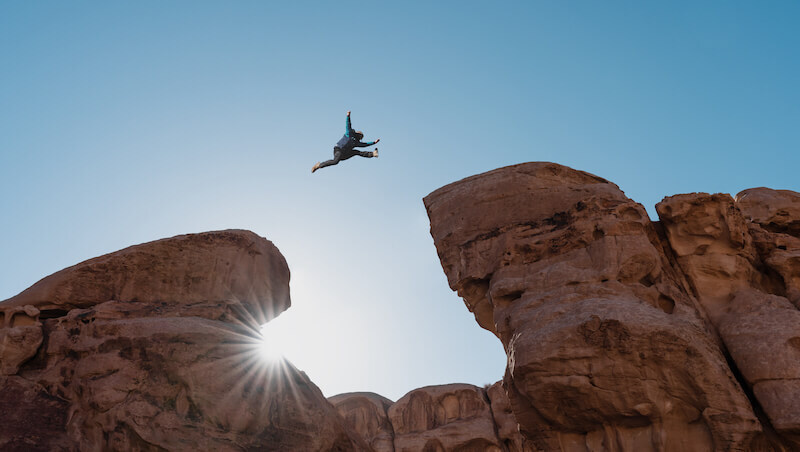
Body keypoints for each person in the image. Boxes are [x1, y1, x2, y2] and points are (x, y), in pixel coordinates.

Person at [312, 111, 380, 173]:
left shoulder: (356, 142)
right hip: (338, 149)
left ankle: (373, 154)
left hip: (344, 154)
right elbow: (348, 125)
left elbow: (364, 144)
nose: (359, 139)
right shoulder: (349, 133)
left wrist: (374, 142)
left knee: (356, 152)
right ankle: (319, 165)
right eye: (360, 137)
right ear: (357, 135)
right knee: (335, 161)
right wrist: (348, 116)